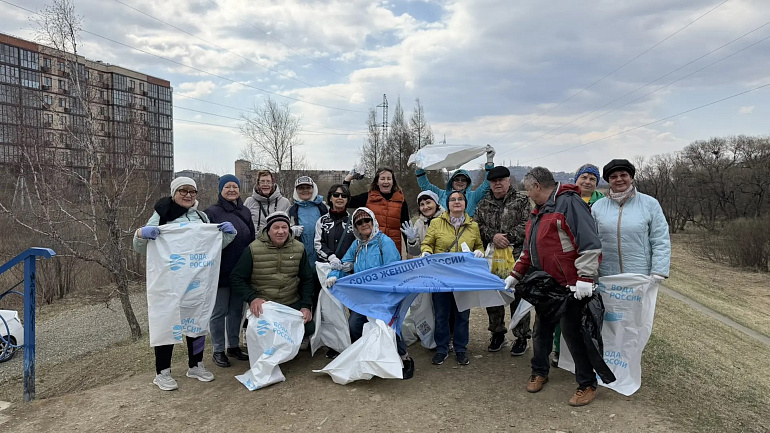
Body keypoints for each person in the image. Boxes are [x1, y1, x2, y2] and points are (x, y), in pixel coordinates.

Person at [503, 167, 603, 407]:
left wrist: (586, 278)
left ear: (537, 186)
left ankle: (587, 383)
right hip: (546, 285)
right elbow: (529, 249)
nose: (527, 195)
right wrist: (515, 275)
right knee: (541, 331)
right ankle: (539, 371)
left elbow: (589, 242)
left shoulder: (570, 204)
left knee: (573, 335)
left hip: (572, 286)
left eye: (528, 189)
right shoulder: (537, 212)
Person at [133, 176, 237, 391]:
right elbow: (142, 249)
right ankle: (162, 372)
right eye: (183, 190)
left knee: (197, 320)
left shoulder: (201, 217)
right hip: (169, 281)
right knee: (166, 321)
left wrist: (229, 235)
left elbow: (213, 247)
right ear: (174, 192)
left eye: (192, 191)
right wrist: (140, 234)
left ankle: (196, 364)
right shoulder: (161, 215)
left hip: (197, 280)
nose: (188, 195)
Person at [325, 207, 415, 379]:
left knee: (389, 326)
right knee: (354, 325)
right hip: (363, 298)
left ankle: (404, 357)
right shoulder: (357, 245)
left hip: (384, 297)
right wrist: (334, 275)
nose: (364, 224)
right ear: (355, 227)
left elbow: (394, 271)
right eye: (359, 222)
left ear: (373, 221)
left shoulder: (384, 243)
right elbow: (345, 264)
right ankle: (368, 355)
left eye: (367, 220)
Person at [420, 190, 485, 367]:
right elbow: (427, 243)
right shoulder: (436, 223)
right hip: (441, 277)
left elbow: (478, 245)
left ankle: (461, 349)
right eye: (453, 199)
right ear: (447, 204)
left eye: (460, 199)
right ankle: (442, 348)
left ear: (465, 203)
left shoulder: (473, 226)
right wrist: (426, 251)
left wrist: (480, 252)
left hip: (463, 278)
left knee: (462, 315)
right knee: (441, 314)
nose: (456, 202)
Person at [549, 163, 605, 367]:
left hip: (590, 261)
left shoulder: (602, 203)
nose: (588, 181)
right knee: (562, 308)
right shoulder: (564, 200)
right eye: (584, 177)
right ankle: (559, 349)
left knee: (588, 310)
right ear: (576, 179)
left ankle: (588, 353)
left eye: (592, 178)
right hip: (566, 262)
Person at [473, 166, 532, 355]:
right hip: (492, 257)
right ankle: (497, 332)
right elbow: (477, 226)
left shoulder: (522, 201)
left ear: (508, 181)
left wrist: (507, 237)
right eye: (493, 181)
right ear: (490, 183)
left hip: (516, 256)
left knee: (518, 295)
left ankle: (521, 336)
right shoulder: (484, 203)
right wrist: (493, 236)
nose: (497, 184)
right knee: (493, 296)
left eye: (501, 180)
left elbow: (528, 224)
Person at [229, 211, 315, 338]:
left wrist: (306, 306)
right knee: (264, 332)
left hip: (290, 301)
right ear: (268, 230)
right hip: (265, 303)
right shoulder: (253, 249)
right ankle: (249, 329)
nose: (281, 231)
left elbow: (307, 279)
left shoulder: (299, 248)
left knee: (308, 328)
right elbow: (236, 278)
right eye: (276, 227)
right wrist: (252, 298)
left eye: (284, 227)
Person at [204, 174, 256, 368]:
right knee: (219, 311)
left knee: (236, 310)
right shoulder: (212, 212)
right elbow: (206, 241)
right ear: (220, 190)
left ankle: (233, 345)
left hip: (241, 272)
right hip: (220, 271)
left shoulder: (245, 211)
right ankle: (218, 349)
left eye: (235, 186)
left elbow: (251, 238)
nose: (232, 190)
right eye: (228, 187)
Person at [591, 159, 671, 280]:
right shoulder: (597, 207)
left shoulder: (650, 204)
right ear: (608, 181)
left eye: (623, 175)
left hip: (640, 276)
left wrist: (659, 270)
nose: (619, 179)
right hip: (607, 275)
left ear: (631, 178)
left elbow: (660, 239)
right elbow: (591, 241)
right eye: (613, 176)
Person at [313, 184, 356, 358]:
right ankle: (335, 344)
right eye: (336, 195)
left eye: (343, 196)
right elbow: (318, 243)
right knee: (331, 309)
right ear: (330, 197)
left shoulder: (354, 220)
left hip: (350, 270)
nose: (340, 198)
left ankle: (354, 339)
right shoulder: (322, 221)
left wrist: (350, 262)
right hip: (328, 271)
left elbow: (360, 242)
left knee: (352, 308)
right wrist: (331, 257)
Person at [413, 145, 496, 216]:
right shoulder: (441, 194)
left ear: (468, 183)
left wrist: (489, 161)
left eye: (463, 180)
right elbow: (425, 185)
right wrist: (419, 167)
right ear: (451, 182)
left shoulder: (473, 196)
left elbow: (487, 184)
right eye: (457, 179)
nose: (460, 182)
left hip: (466, 232)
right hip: (443, 233)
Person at [344, 167, 409, 253]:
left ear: (393, 182)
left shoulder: (401, 201)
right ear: (377, 182)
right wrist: (347, 180)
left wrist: (409, 252)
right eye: (382, 178)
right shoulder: (367, 198)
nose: (386, 181)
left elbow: (406, 229)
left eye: (389, 179)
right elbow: (345, 201)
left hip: (393, 251)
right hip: (372, 251)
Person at [402, 190, 445, 258]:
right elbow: (415, 252)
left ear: (436, 203)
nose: (425, 207)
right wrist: (412, 241)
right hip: (429, 263)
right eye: (422, 204)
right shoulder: (419, 224)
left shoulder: (447, 219)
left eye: (428, 203)